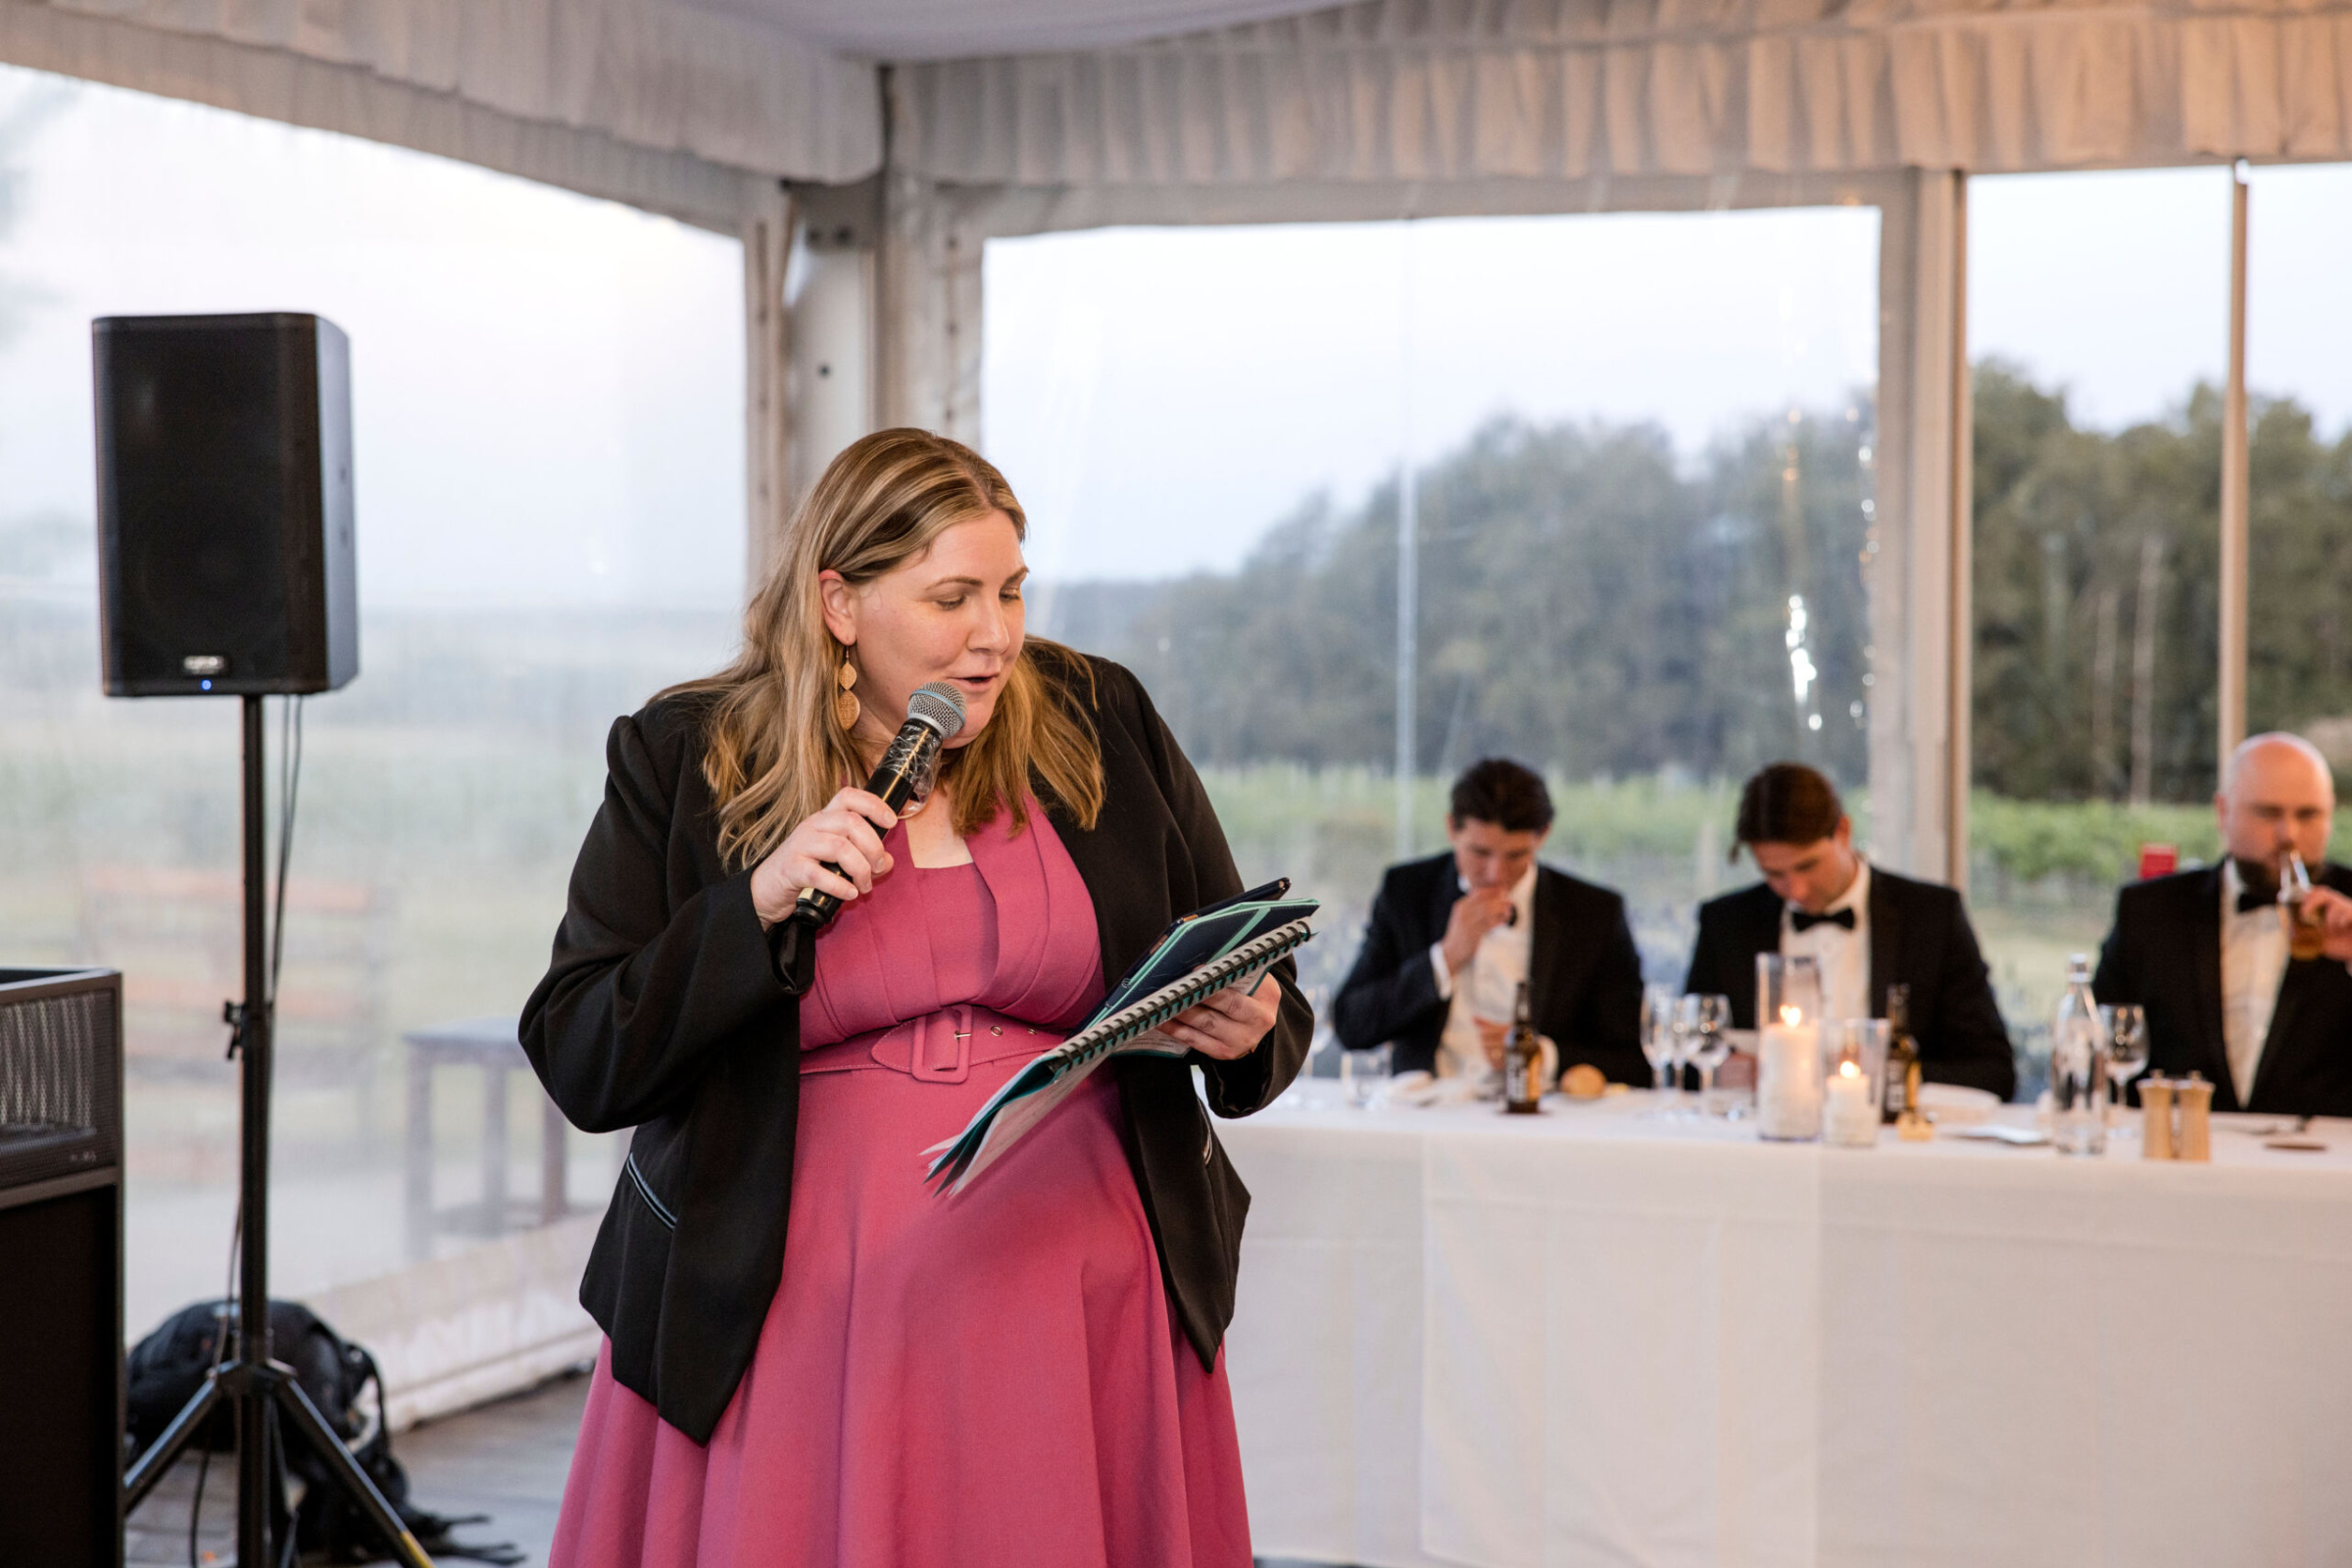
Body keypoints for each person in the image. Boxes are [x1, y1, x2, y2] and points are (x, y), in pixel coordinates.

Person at [521, 429, 1311, 1567]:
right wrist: (753, 907)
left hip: (1086, 1293)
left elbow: (1255, 979)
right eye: (951, 598)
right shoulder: (686, 755)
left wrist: (1249, 1027)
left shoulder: (1102, 718)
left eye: (1010, 592)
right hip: (786, 1304)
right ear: (840, 602)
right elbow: (581, 1046)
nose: (995, 636)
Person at [1684, 761, 2015, 1099]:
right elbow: (1686, 1061)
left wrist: (1886, 1075)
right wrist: (1726, 1070)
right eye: (1773, 874)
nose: (1795, 890)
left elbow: (1993, 1070)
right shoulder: (1726, 923)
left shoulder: (1930, 917)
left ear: (1843, 831)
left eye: (1807, 865)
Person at [1331, 758, 1647, 1086]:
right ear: (1452, 828)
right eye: (1480, 853)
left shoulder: (1593, 911)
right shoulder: (1407, 892)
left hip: (1545, 1118)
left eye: (1515, 855)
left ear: (1542, 836)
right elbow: (1352, 1025)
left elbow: (1637, 1060)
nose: (1496, 873)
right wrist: (1446, 957)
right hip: (1428, 1114)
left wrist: (1541, 1055)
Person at [2093, 731, 2352, 1116]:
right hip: (2180, 1158)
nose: (2288, 834)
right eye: (2268, 813)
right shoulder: (2150, 912)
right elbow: (2098, 1049)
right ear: (2222, 812)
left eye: (2308, 814)